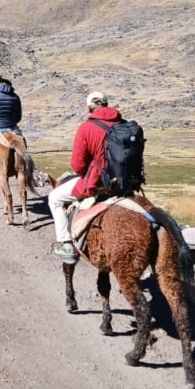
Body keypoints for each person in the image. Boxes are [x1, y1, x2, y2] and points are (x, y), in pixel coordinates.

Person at [48, 90, 123, 263]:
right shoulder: (124, 125)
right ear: (106, 104)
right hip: (122, 183)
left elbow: (77, 166)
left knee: (54, 198)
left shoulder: (87, 127)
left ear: (90, 108)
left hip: (98, 183)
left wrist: (90, 170)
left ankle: (65, 243)